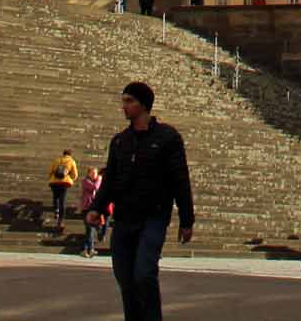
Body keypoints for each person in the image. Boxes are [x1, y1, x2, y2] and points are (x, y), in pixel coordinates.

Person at [84, 81, 194, 321]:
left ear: (143, 105)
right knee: (125, 277)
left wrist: (187, 220)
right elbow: (110, 179)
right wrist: (97, 208)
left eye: (129, 101)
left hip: (153, 217)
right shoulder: (120, 141)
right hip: (124, 217)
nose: (124, 106)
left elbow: (180, 180)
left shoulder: (168, 138)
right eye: (123, 100)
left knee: (144, 273)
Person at [75, 167, 104, 256]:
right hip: (86, 208)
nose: (94, 175)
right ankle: (90, 249)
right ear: (88, 173)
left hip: (94, 207)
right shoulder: (85, 181)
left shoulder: (96, 181)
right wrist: (99, 179)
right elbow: (94, 187)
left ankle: (84, 249)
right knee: (90, 229)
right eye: (92, 173)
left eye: (95, 173)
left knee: (90, 230)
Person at [49, 148, 79, 232]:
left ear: (63, 153)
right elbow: (75, 174)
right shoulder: (71, 161)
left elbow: (50, 171)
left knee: (55, 196)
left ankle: (56, 210)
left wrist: (50, 178)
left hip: (54, 182)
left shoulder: (57, 160)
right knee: (62, 200)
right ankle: (61, 220)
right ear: (70, 154)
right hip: (64, 183)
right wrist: (71, 179)